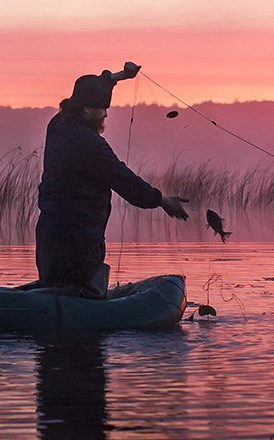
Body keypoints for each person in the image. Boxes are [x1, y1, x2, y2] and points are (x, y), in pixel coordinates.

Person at [35, 62, 188, 298]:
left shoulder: (58, 123)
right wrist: (161, 200)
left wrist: (120, 77)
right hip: (77, 238)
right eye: (101, 108)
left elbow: (95, 86)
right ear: (86, 109)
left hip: (49, 234)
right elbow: (122, 179)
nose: (106, 113)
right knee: (78, 295)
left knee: (56, 290)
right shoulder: (89, 144)